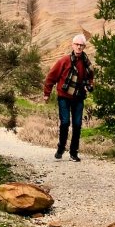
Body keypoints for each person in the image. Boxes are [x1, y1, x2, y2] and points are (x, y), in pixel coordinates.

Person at [43, 34, 94, 162]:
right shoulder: (64, 61)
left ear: (84, 47)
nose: (79, 47)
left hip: (79, 97)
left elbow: (90, 77)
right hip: (64, 97)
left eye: (81, 45)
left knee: (77, 125)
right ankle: (61, 148)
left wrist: (89, 85)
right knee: (65, 123)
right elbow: (51, 77)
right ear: (72, 45)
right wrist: (47, 93)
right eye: (77, 45)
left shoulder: (86, 62)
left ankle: (73, 152)